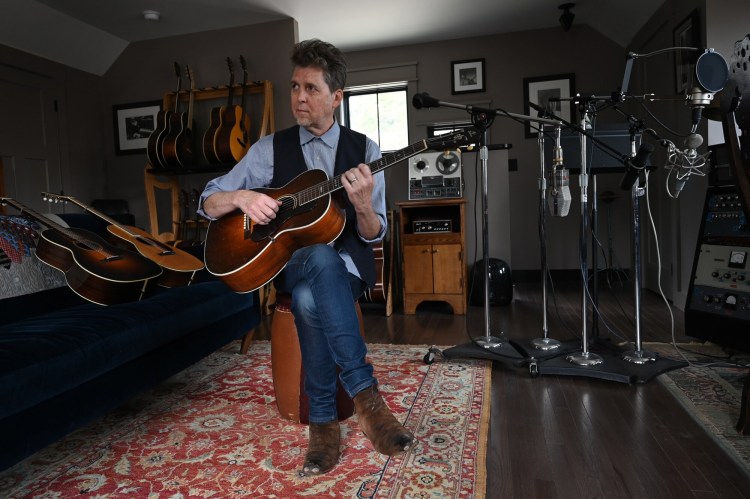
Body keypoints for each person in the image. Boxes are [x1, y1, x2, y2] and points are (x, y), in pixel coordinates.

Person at [198, 39, 415, 476]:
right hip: (286, 261)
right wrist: (242, 197)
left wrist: (362, 206)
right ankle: (366, 399)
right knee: (314, 255)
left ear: (336, 97)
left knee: (310, 296)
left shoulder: (366, 151)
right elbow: (207, 201)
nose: (299, 97)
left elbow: (374, 235)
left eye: (311, 88)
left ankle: (322, 424)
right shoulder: (267, 150)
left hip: (348, 267)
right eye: (295, 86)